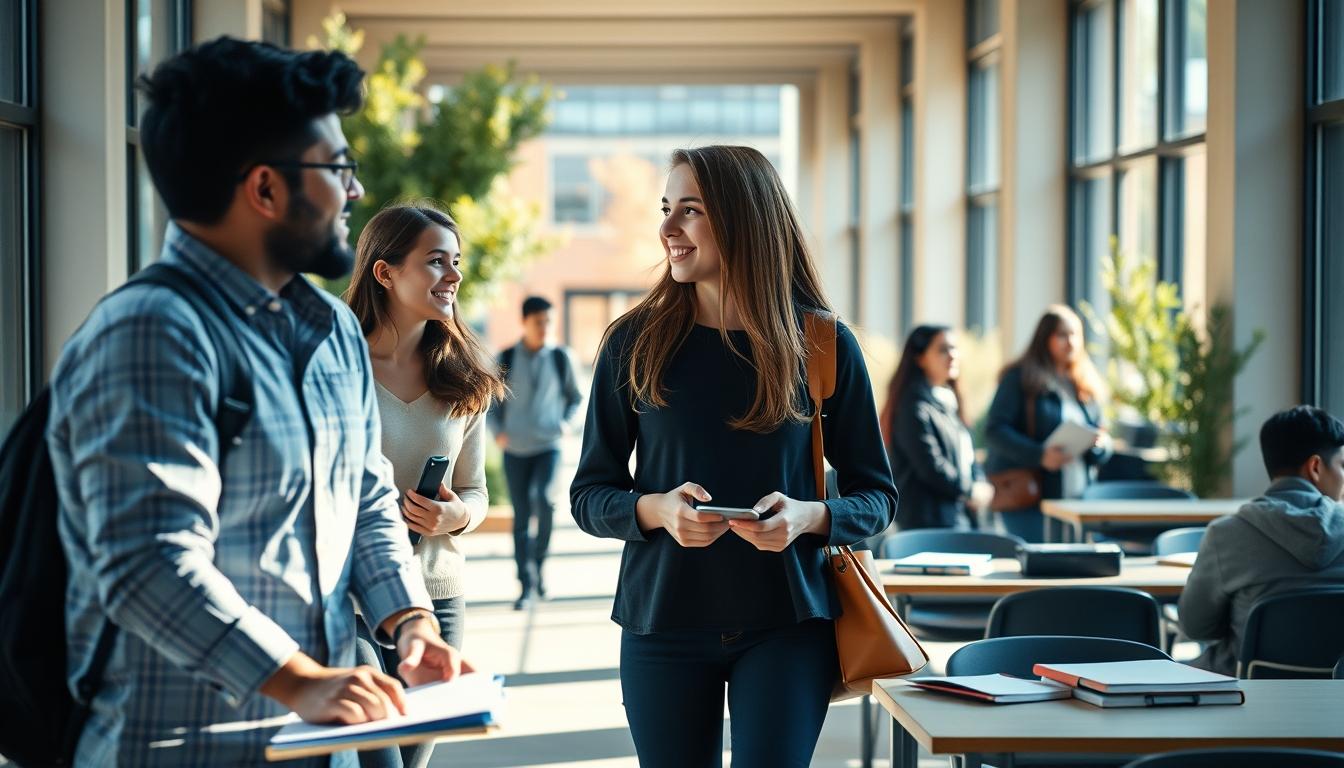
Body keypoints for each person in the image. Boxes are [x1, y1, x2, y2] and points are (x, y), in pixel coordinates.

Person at [45, 38, 466, 766]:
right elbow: (147, 561)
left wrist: (411, 623)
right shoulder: (153, 333)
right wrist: (298, 682)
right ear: (265, 189)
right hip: (184, 747)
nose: (355, 192)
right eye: (337, 169)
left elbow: (365, 498)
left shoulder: (329, 326)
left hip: (322, 742)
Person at [569, 145, 897, 768]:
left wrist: (809, 517)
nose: (667, 229)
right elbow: (590, 495)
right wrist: (655, 511)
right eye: (666, 209)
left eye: (688, 211)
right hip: (662, 622)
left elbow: (877, 495)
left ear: (746, 219)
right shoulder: (632, 344)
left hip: (789, 625)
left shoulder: (822, 343)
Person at [344, 202, 502, 768]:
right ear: (384, 272)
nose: (454, 276)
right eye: (437, 261)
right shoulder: (338, 367)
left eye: (456, 261)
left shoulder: (464, 377)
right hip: (351, 603)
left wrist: (454, 517)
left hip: (437, 600)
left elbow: (477, 491)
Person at [1179, 406, 1344, 676]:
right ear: (1315, 467)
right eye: (1343, 465)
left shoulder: (1226, 534)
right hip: (1337, 697)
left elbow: (1196, 626)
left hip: (1243, 694)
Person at [984, 305, 1112, 542]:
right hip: (1031, 499)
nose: (1070, 341)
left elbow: (1102, 432)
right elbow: (995, 430)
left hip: (1078, 499)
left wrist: (1100, 446)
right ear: (1045, 338)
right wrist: (1039, 455)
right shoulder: (1020, 378)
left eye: (1075, 334)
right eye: (1062, 334)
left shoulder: (1084, 383)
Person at [488, 296, 583, 610]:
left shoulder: (561, 358)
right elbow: (490, 402)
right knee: (521, 517)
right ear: (525, 322)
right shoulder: (506, 358)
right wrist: (498, 431)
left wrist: (566, 424)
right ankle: (526, 585)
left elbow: (575, 398)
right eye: (539, 322)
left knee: (545, 501)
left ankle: (538, 569)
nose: (545, 328)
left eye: (549, 322)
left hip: (548, 447)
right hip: (515, 449)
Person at [880, 325, 993, 530]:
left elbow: (967, 454)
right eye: (943, 349)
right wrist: (970, 490)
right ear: (920, 358)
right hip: (928, 521)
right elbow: (931, 466)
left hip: (956, 514)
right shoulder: (913, 405)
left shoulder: (948, 401)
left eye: (954, 348)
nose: (952, 355)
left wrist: (979, 483)